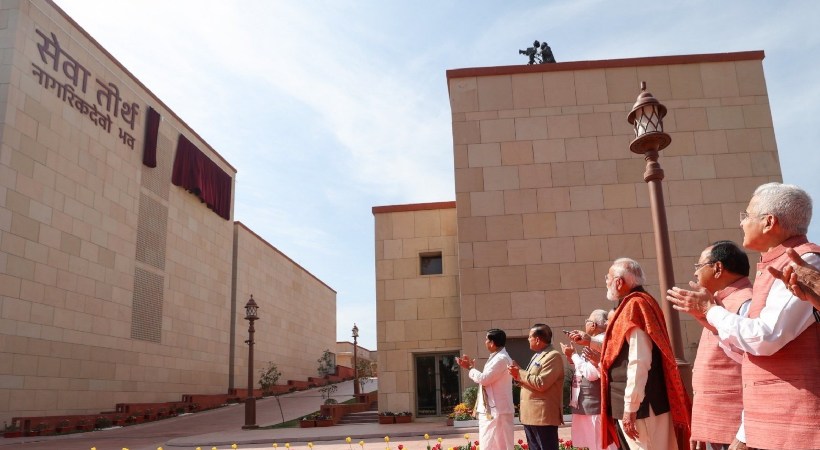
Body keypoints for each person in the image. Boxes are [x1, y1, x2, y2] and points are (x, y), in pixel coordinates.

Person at [667, 182, 820, 450]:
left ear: (768, 222)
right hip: (771, 421)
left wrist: (711, 311)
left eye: (746, 215)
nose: (742, 223)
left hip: (795, 420)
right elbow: (750, 357)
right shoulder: (775, 265)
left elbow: (766, 337)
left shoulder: (803, 262)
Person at [600, 258, 690, 450]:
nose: (606, 282)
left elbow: (639, 359)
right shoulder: (636, 303)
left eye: (608, 277)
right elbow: (620, 349)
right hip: (638, 403)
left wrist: (631, 406)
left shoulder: (635, 305)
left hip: (643, 407)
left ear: (619, 282)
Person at [688, 241, 752, 450]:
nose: (695, 273)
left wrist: (745, 434)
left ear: (717, 268)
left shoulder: (746, 301)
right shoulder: (716, 303)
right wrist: (700, 423)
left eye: (699, 266)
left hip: (739, 427)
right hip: (717, 422)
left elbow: (755, 365)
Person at [560, 310, 617, 450]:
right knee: (595, 444)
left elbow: (591, 374)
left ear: (593, 325)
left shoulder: (599, 342)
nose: (585, 324)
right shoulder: (594, 341)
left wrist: (574, 355)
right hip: (587, 404)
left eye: (587, 321)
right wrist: (572, 358)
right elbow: (586, 370)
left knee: (599, 445)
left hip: (594, 406)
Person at [508, 323, 564, 450]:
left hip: (543, 417)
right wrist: (517, 375)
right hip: (531, 415)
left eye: (530, 337)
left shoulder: (553, 356)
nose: (528, 339)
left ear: (537, 339)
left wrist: (519, 373)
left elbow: (541, 383)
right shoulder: (537, 355)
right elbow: (530, 379)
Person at [456, 329, 514, 450]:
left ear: (492, 343)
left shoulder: (501, 358)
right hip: (495, 410)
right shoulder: (497, 357)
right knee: (493, 445)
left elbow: (484, 379)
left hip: (497, 411)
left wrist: (470, 368)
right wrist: (471, 368)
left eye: (486, 339)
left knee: (493, 445)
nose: (485, 342)